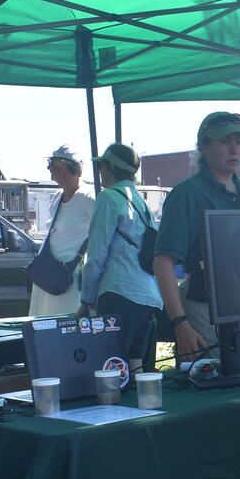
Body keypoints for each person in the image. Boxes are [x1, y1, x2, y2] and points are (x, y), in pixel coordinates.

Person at [153, 112, 240, 363]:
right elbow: (163, 262)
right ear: (203, 146)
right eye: (225, 141)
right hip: (202, 305)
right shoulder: (187, 194)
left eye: (239, 141)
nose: (235, 149)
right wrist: (180, 323)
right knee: (207, 383)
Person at [79, 143, 163, 364]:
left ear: (109, 168)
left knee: (111, 370)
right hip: (148, 297)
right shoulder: (141, 202)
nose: (99, 172)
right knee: (135, 368)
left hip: (119, 294)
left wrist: (86, 300)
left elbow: (96, 255)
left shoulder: (108, 198)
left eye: (101, 167)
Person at [29, 145, 95, 317]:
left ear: (68, 167)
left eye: (54, 164)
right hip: (49, 274)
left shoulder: (89, 196)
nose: (49, 168)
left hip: (69, 279)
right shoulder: (58, 196)